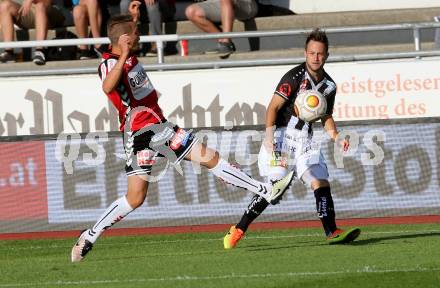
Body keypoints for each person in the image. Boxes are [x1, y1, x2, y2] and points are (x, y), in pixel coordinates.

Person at [70, 14, 294, 262]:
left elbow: (124, 44)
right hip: (142, 132)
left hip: (158, 127)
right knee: (141, 194)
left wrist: (132, 16)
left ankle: (89, 235)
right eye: (135, 32)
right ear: (123, 39)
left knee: (196, 165)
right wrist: (122, 53)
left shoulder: (128, 56)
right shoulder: (109, 64)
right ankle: (265, 189)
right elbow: (107, 87)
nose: (139, 35)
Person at [223, 28, 361, 249]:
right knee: (274, 189)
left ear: (327, 55)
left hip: (305, 141)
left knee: (320, 181)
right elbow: (272, 107)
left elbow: (325, 115)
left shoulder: (330, 86)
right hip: (281, 138)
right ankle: (237, 229)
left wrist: (335, 136)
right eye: (312, 53)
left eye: (320, 53)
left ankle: (332, 231)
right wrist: (269, 137)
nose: (316, 57)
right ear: (305, 53)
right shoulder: (294, 77)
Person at [185, 0, 258, 58]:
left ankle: (226, 42)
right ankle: (223, 42)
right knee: (191, 11)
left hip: (246, 4)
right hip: (218, 3)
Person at [0, 0, 65, 65]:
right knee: (5, 5)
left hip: (51, 11)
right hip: (28, 11)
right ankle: (9, 52)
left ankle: (40, 51)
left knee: (40, 5)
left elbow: (48, 2)